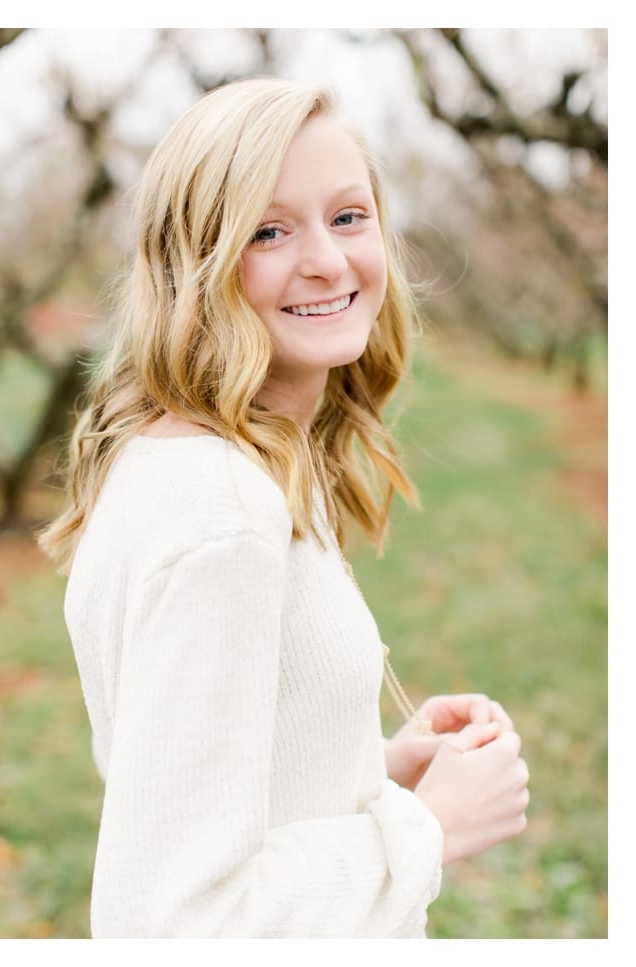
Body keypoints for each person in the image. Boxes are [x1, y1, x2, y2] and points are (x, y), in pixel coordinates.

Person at [38, 78, 530, 937]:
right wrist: (426, 829)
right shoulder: (221, 514)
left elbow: (208, 797)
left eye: (348, 216)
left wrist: (380, 772)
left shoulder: (205, 465)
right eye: (269, 230)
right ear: (197, 262)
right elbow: (173, 922)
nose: (329, 261)